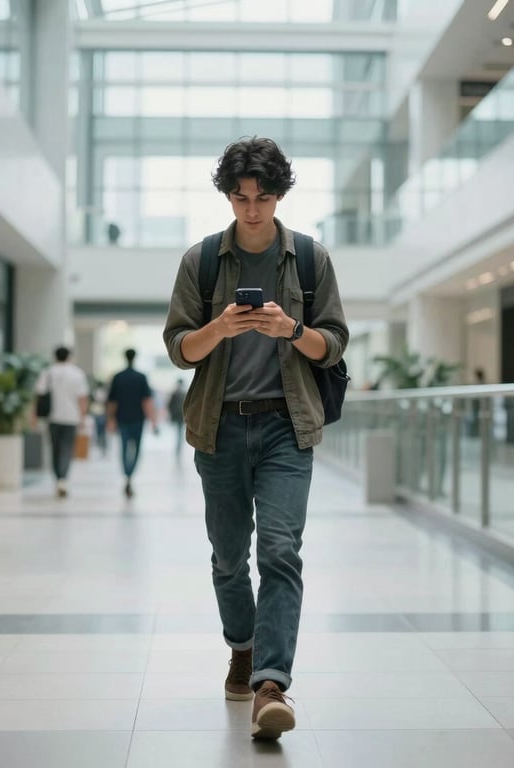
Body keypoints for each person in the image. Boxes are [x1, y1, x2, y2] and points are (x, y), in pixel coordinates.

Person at [163, 136, 348, 740]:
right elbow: (180, 350)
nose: (251, 210)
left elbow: (334, 344)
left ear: (280, 195)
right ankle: (241, 646)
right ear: (227, 196)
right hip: (218, 426)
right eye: (240, 198)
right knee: (226, 558)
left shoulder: (312, 261)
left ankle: (271, 683)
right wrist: (219, 326)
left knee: (279, 549)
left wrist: (290, 328)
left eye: (262, 198)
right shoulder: (203, 261)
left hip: (285, 426)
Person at [34, 346, 89, 498]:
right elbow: (82, 398)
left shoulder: (48, 372)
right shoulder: (77, 373)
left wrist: (33, 417)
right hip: (72, 418)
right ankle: (63, 479)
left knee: (55, 449)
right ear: (69, 357)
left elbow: (39, 395)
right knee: (66, 449)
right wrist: (83, 418)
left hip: (53, 417)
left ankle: (58, 478)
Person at [106, 348, 158, 498]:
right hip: (138, 419)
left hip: (122, 418)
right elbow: (147, 401)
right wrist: (153, 421)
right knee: (136, 449)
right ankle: (130, 476)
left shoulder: (118, 377)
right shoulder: (141, 377)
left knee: (123, 448)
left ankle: (126, 475)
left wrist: (110, 419)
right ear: (135, 358)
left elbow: (112, 401)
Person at [167, 378, 186, 458]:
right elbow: (170, 405)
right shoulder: (177, 394)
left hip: (181, 416)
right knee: (179, 432)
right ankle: (178, 447)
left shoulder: (181, 393)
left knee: (179, 432)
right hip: (179, 416)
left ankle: (179, 447)